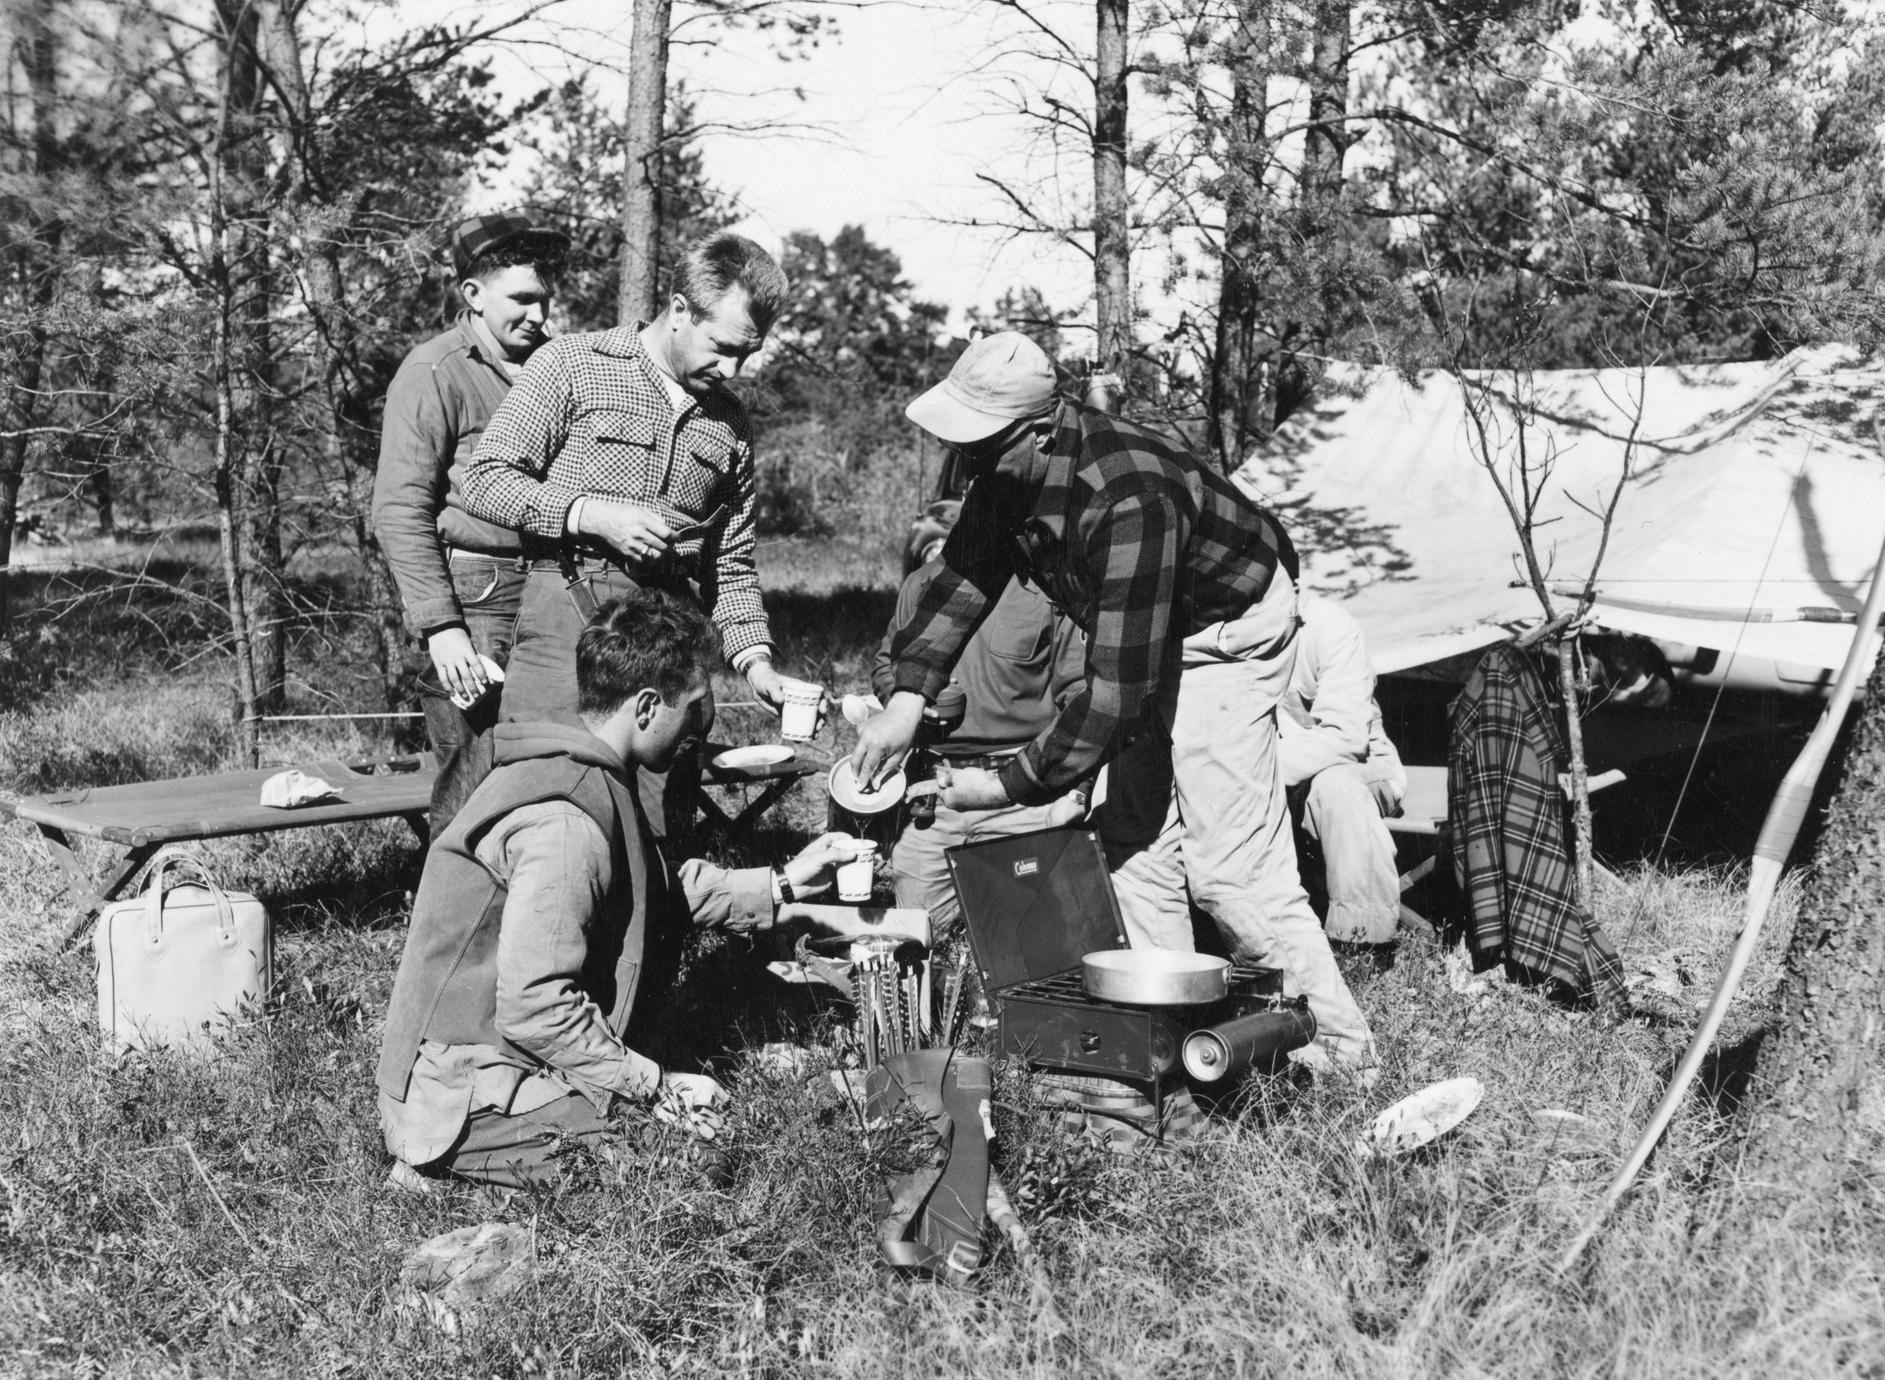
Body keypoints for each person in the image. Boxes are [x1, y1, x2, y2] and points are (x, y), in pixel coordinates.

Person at [853, 332, 1375, 1072]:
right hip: (1143, 629)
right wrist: (907, 698)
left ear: (1038, 429)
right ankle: (1174, 1048)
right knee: (1133, 852)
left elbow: (1113, 695)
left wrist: (1002, 784)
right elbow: (964, 573)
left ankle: (1339, 1056)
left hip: (1224, 633)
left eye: (979, 445)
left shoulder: (1130, 495)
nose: (964, 462)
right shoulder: (1008, 466)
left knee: (1229, 869)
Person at [376, 590, 856, 1191]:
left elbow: (649, 888)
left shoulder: (585, 764)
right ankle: (436, 1161)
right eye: (697, 709)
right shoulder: (566, 823)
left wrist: (781, 883)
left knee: (696, 1133)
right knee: (690, 1160)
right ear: (649, 706)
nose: (703, 729)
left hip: (500, 1057)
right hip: (464, 1089)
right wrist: (654, 1084)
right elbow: (535, 1007)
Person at [462, 233, 811, 741]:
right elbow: (485, 479)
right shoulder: (572, 364)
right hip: (569, 612)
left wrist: (756, 663)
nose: (733, 370)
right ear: (678, 309)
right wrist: (590, 515)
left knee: (660, 809)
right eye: (723, 347)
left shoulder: (730, 420)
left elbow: (730, 561)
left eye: (748, 354)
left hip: (671, 633)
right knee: (550, 782)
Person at [371, 211, 569, 834]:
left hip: (559, 587)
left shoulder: (558, 364)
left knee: (556, 767)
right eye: (522, 299)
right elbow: (400, 509)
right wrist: (442, 628)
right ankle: (457, 924)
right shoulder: (434, 371)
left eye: (545, 300)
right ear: (473, 295)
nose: (539, 316)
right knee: (475, 775)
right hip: (479, 602)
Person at [1277, 592, 1407, 945]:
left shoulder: (1328, 626)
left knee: (1335, 787)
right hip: (1280, 775)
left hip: (1362, 766)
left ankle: (1361, 942)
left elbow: (1345, 739)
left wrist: (1258, 771)